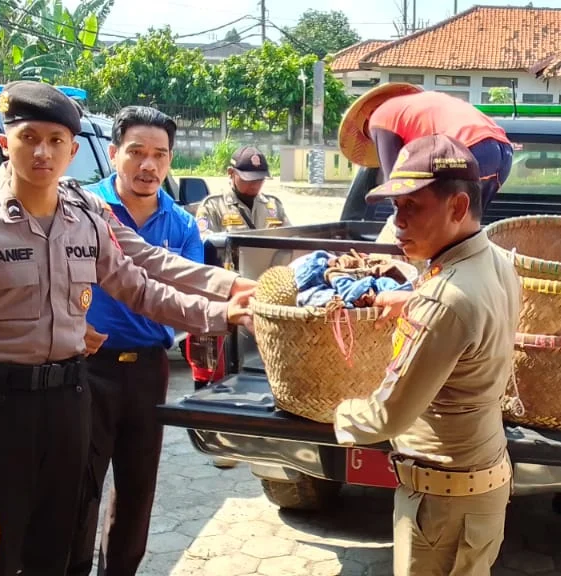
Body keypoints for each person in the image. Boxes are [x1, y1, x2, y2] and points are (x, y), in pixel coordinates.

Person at [0, 81, 252, 576]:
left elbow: (140, 282)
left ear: (73, 150)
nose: (43, 152)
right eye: (30, 137)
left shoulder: (85, 214)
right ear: (5, 142)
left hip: (70, 397)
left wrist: (224, 307)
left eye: (57, 141)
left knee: (60, 539)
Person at [332, 134, 521, 576]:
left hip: (443, 503)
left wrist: (333, 412)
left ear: (457, 207)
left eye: (411, 207)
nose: (397, 222)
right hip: (476, 486)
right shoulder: (496, 260)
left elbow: (388, 418)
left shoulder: (445, 298)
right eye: (396, 208)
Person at [68, 106, 200, 576]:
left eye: (159, 155)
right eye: (137, 152)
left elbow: (185, 293)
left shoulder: (182, 225)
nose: (148, 166)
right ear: (113, 153)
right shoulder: (83, 209)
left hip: (148, 369)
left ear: (169, 160)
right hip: (85, 366)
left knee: (137, 485)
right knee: (79, 482)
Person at [336, 83, 514, 243]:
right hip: (503, 151)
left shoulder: (379, 118)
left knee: (441, 231)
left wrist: (398, 227)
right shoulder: (420, 107)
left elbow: (396, 184)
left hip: (467, 148)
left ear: (366, 119)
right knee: (465, 231)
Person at [190, 146, 289, 391]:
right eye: (248, 179)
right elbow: (204, 243)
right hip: (230, 295)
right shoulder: (213, 206)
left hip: (267, 295)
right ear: (230, 173)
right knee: (221, 369)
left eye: (260, 179)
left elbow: (289, 241)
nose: (255, 185)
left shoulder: (273, 206)